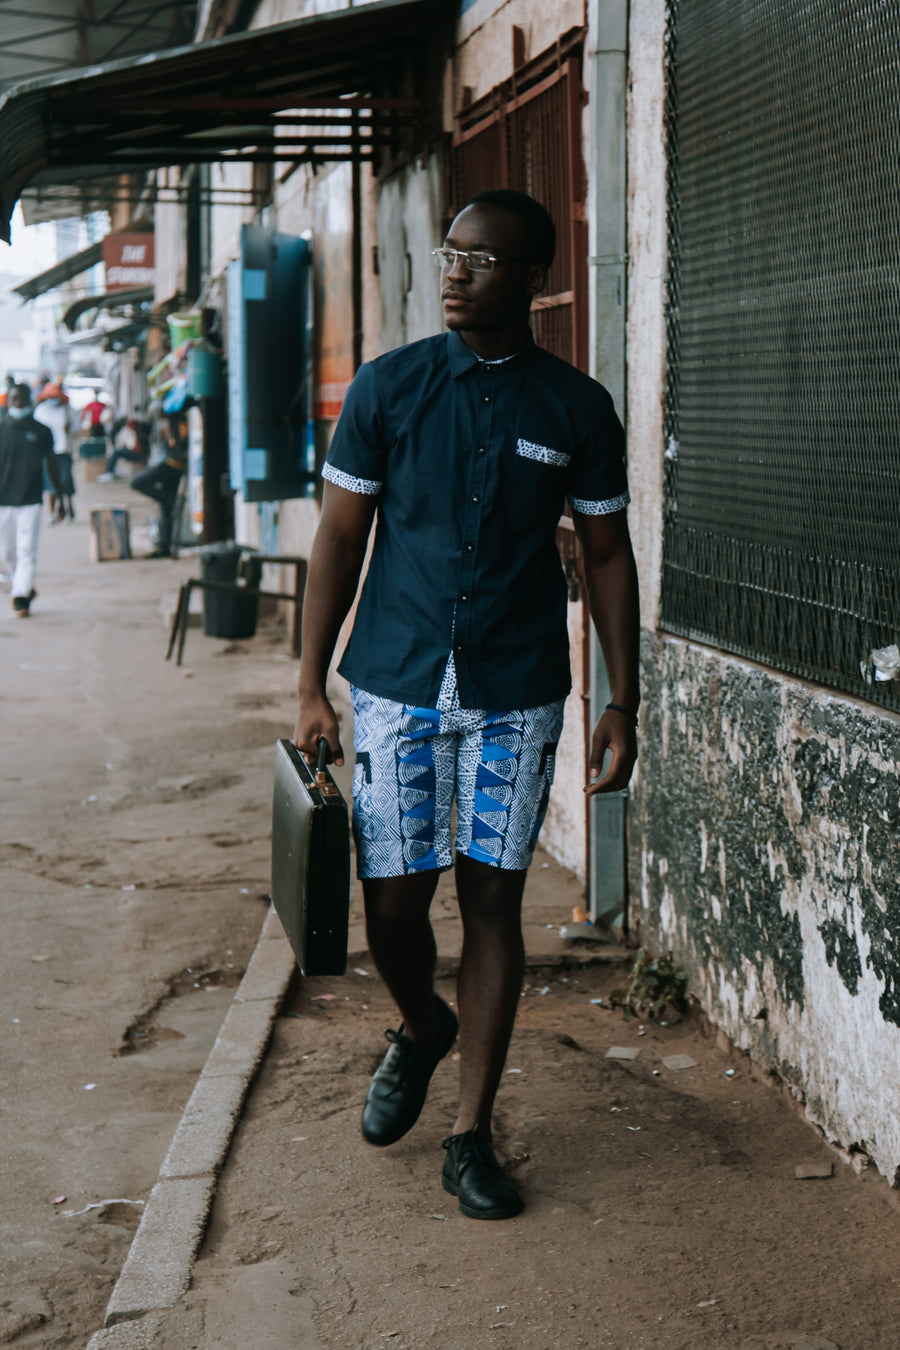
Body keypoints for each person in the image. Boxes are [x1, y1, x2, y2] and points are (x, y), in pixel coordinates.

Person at [292, 188, 640, 1221]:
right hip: (397, 681)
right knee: (394, 902)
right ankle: (419, 1023)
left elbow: (609, 556)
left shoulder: (575, 409)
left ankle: (470, 1133)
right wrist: (310, 683)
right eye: (450, 253)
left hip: (517, 689)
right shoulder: (389, 390)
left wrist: (623, 699)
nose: (455, 272)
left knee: (492, 899)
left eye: (482, 260)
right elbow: (341, 541)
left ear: (532, 278)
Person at [0, 383, 63, 617]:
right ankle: (23, 585)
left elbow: (53, 464)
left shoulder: (42, 431)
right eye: (14, 399)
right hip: (3, 500)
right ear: (8, 401)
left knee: (27, 548)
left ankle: (20, 597)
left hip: (31, 499)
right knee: (6, 553)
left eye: (22, 399)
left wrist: (59, 496)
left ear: (30, 401)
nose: (18, 403)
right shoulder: (1, 429)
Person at [129, 411, 187, 557]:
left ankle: (168, 499)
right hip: (172, 464)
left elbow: (179, 449)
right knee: (166, 510)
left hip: (172, 465)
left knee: (136, 482)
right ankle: (164, 547)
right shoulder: (173, 426)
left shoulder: (179, 424)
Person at [33, 382, 77, 521]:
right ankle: (52, 512)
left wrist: (70, 428)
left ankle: (69, 510)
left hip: (64, 451)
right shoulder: (41, 410)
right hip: (48, 451)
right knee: (50, 482)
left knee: (66, 481)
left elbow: (78, 425)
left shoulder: (67, 409)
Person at [97, 417, 149, 482]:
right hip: (135, 452)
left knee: (117, 452)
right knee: (115, 452)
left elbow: (134, 447)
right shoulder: (130, 432)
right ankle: (110, 472)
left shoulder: (139, 433)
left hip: (140, 455)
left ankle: (109, 473)